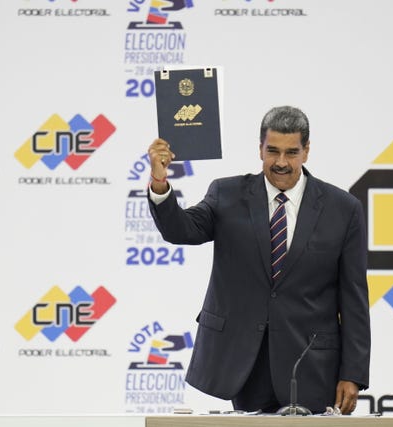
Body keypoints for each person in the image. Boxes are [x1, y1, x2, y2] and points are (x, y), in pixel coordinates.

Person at [147, 106, 370, 415]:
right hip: (245, 365)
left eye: (292, 152)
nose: (281, 162)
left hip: (311, 365)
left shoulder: (344, 209)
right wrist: (160, 184)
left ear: (307, 151)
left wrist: (353, 374)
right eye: (273, 151)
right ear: (260, 149)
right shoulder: (226, 194)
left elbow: (354, 299)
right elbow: (180, 229)